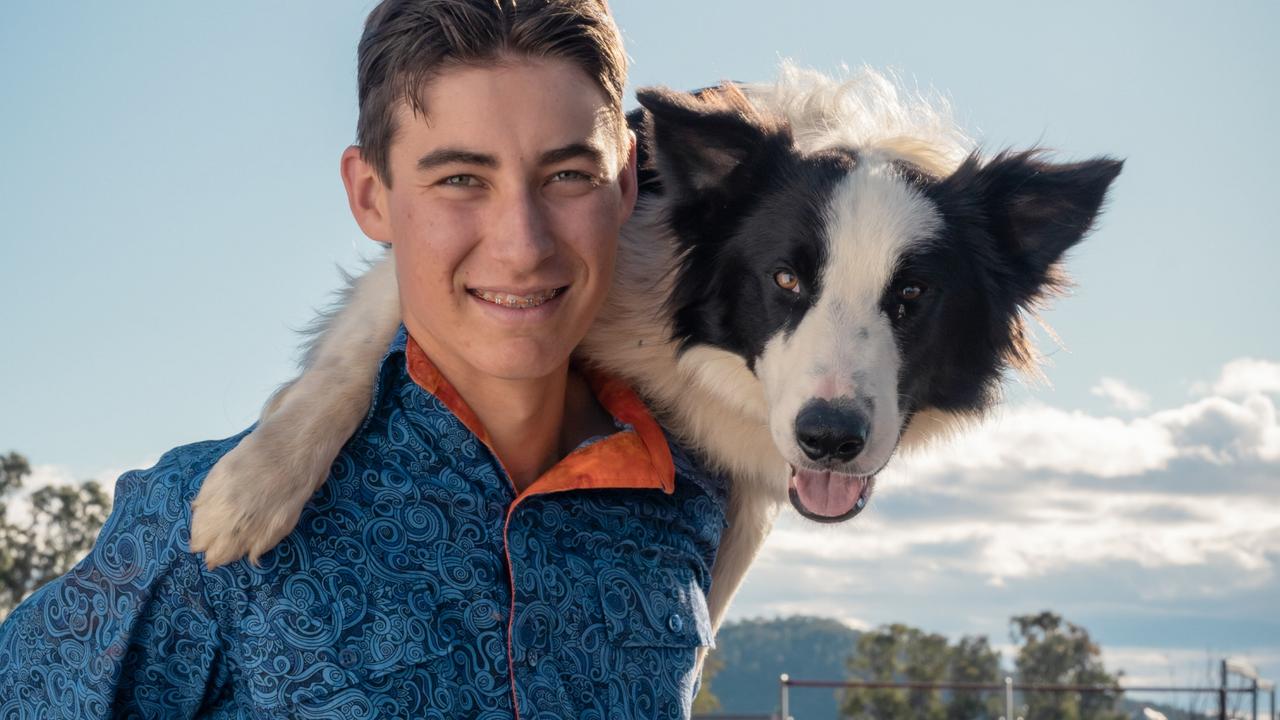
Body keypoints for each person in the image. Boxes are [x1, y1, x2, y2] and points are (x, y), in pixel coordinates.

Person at [0, 1, 726, 717]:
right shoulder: (197, 521)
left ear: (627, 182)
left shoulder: (687, 508)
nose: (523, 244)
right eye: (461, 180)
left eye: (567, 175)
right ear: (370, 195)